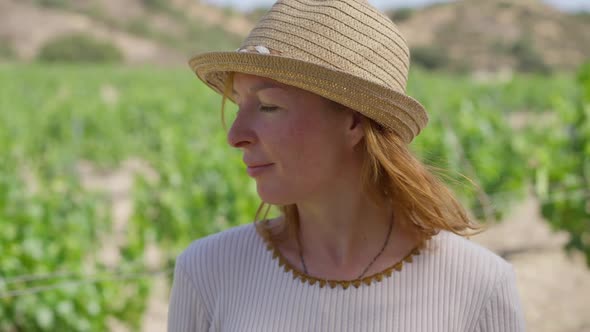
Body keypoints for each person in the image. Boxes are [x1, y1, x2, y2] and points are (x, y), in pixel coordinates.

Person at [167, 0, 526, 331]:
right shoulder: (207, 272)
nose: (235, 135)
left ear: (354, 123)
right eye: (238, 105)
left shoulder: (478, 286)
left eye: (268, 106)